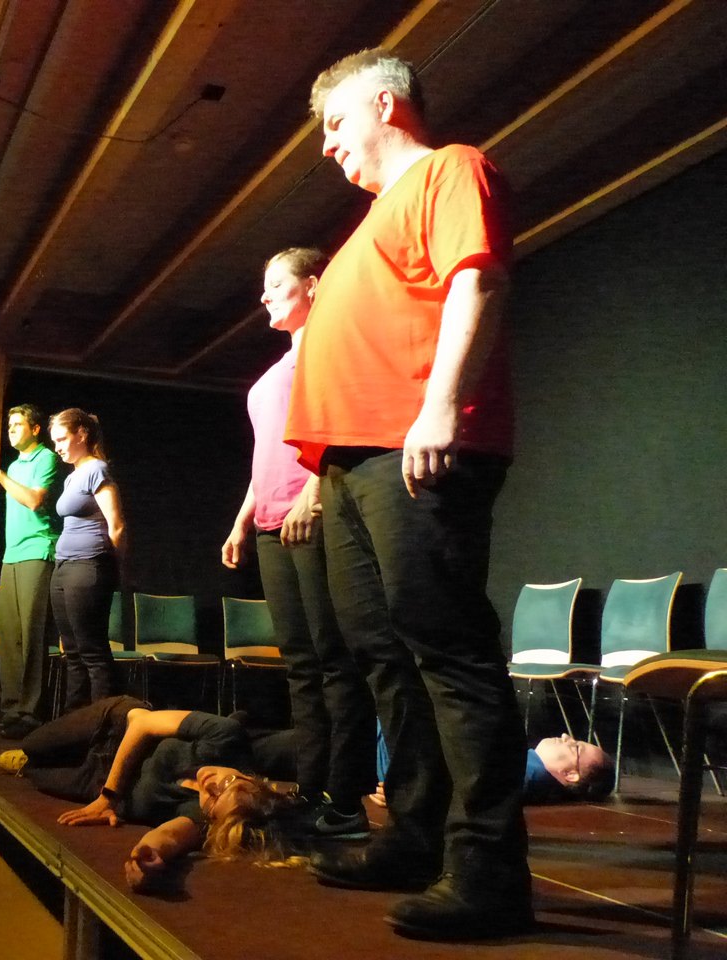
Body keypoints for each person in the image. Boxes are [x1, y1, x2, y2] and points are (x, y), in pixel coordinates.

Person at [284, 49, 530, 939]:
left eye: (336, 123)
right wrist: (321, 478)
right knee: (384, 657)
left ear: (386, 104)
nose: (327, 146)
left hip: (411, 445)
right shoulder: (365, 225)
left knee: (448, 652)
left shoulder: (449, 167)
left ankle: (489, 873)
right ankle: (417, 839)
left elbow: (477, 278)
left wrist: (440, 407)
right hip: (353, 464)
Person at [221, 247, 377, 839]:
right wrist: (242, 519)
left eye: (277, 284)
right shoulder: (276, 370)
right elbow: (266, 456)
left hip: (312, 515)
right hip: (270, 523)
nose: (264, 296)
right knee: (301, 665)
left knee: (335, 660)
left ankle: (346, 797)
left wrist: (313, 496)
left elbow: (338, 428)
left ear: (313, 285)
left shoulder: (328, 347)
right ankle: (313, 789)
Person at [0, 696, 299, 892]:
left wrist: (147, 857)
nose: (211, 785)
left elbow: (169, 837)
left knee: (33, 770)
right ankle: (34, 754)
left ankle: (31, 763)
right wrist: (109, 797)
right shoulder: (226, 737)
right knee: (32, 745)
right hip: (113, 728)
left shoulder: (200, 816)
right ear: (249, 776)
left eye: (214, 799)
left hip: (93, 780)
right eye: (228, 782)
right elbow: (142, 723)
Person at [0, 404, 61, 740]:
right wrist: (2, 472)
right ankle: (11, 711)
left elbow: (34, 501)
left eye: (18, 424)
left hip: (38, 552)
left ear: (35, 429)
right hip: (13, 555)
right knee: (8, 636)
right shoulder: (16, 465)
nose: (12, 430)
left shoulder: (46, 458)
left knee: (32, 635)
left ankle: (31, 714)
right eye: (9, 426)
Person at [48, 409, 125, 709]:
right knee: (73, 653)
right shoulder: (72, 477)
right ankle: (75, 721)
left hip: (89, 565)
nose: (57, 447)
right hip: (64, 568)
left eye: (61, 439)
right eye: (54, 441)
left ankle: (103, 722)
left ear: (82, 434)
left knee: (92, 651)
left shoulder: (97, 470)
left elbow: (117, 526)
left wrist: (114, 568)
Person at [370, 728, 615, 808]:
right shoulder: (528, 767)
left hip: (400, 754)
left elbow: (470, 786)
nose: (566, 736)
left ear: (570, 775)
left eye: (576, 747)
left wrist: (409, 794)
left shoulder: (527, 774)